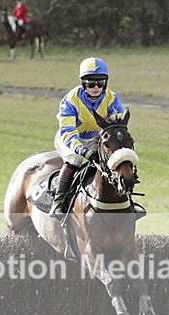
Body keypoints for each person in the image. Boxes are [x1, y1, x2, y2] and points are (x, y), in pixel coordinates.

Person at [51, 57, 124, 219]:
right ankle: (59, 200)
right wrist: (83, 151)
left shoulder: (112, 98)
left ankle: (126, 200)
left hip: (97, 138)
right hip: (69, 138)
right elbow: (68, 132)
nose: (96, 87)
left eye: (101, 82)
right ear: (83, 83)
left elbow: (116, 127)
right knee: (75, 159)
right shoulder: (70, 100)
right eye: (91, 83)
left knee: (114, 159)